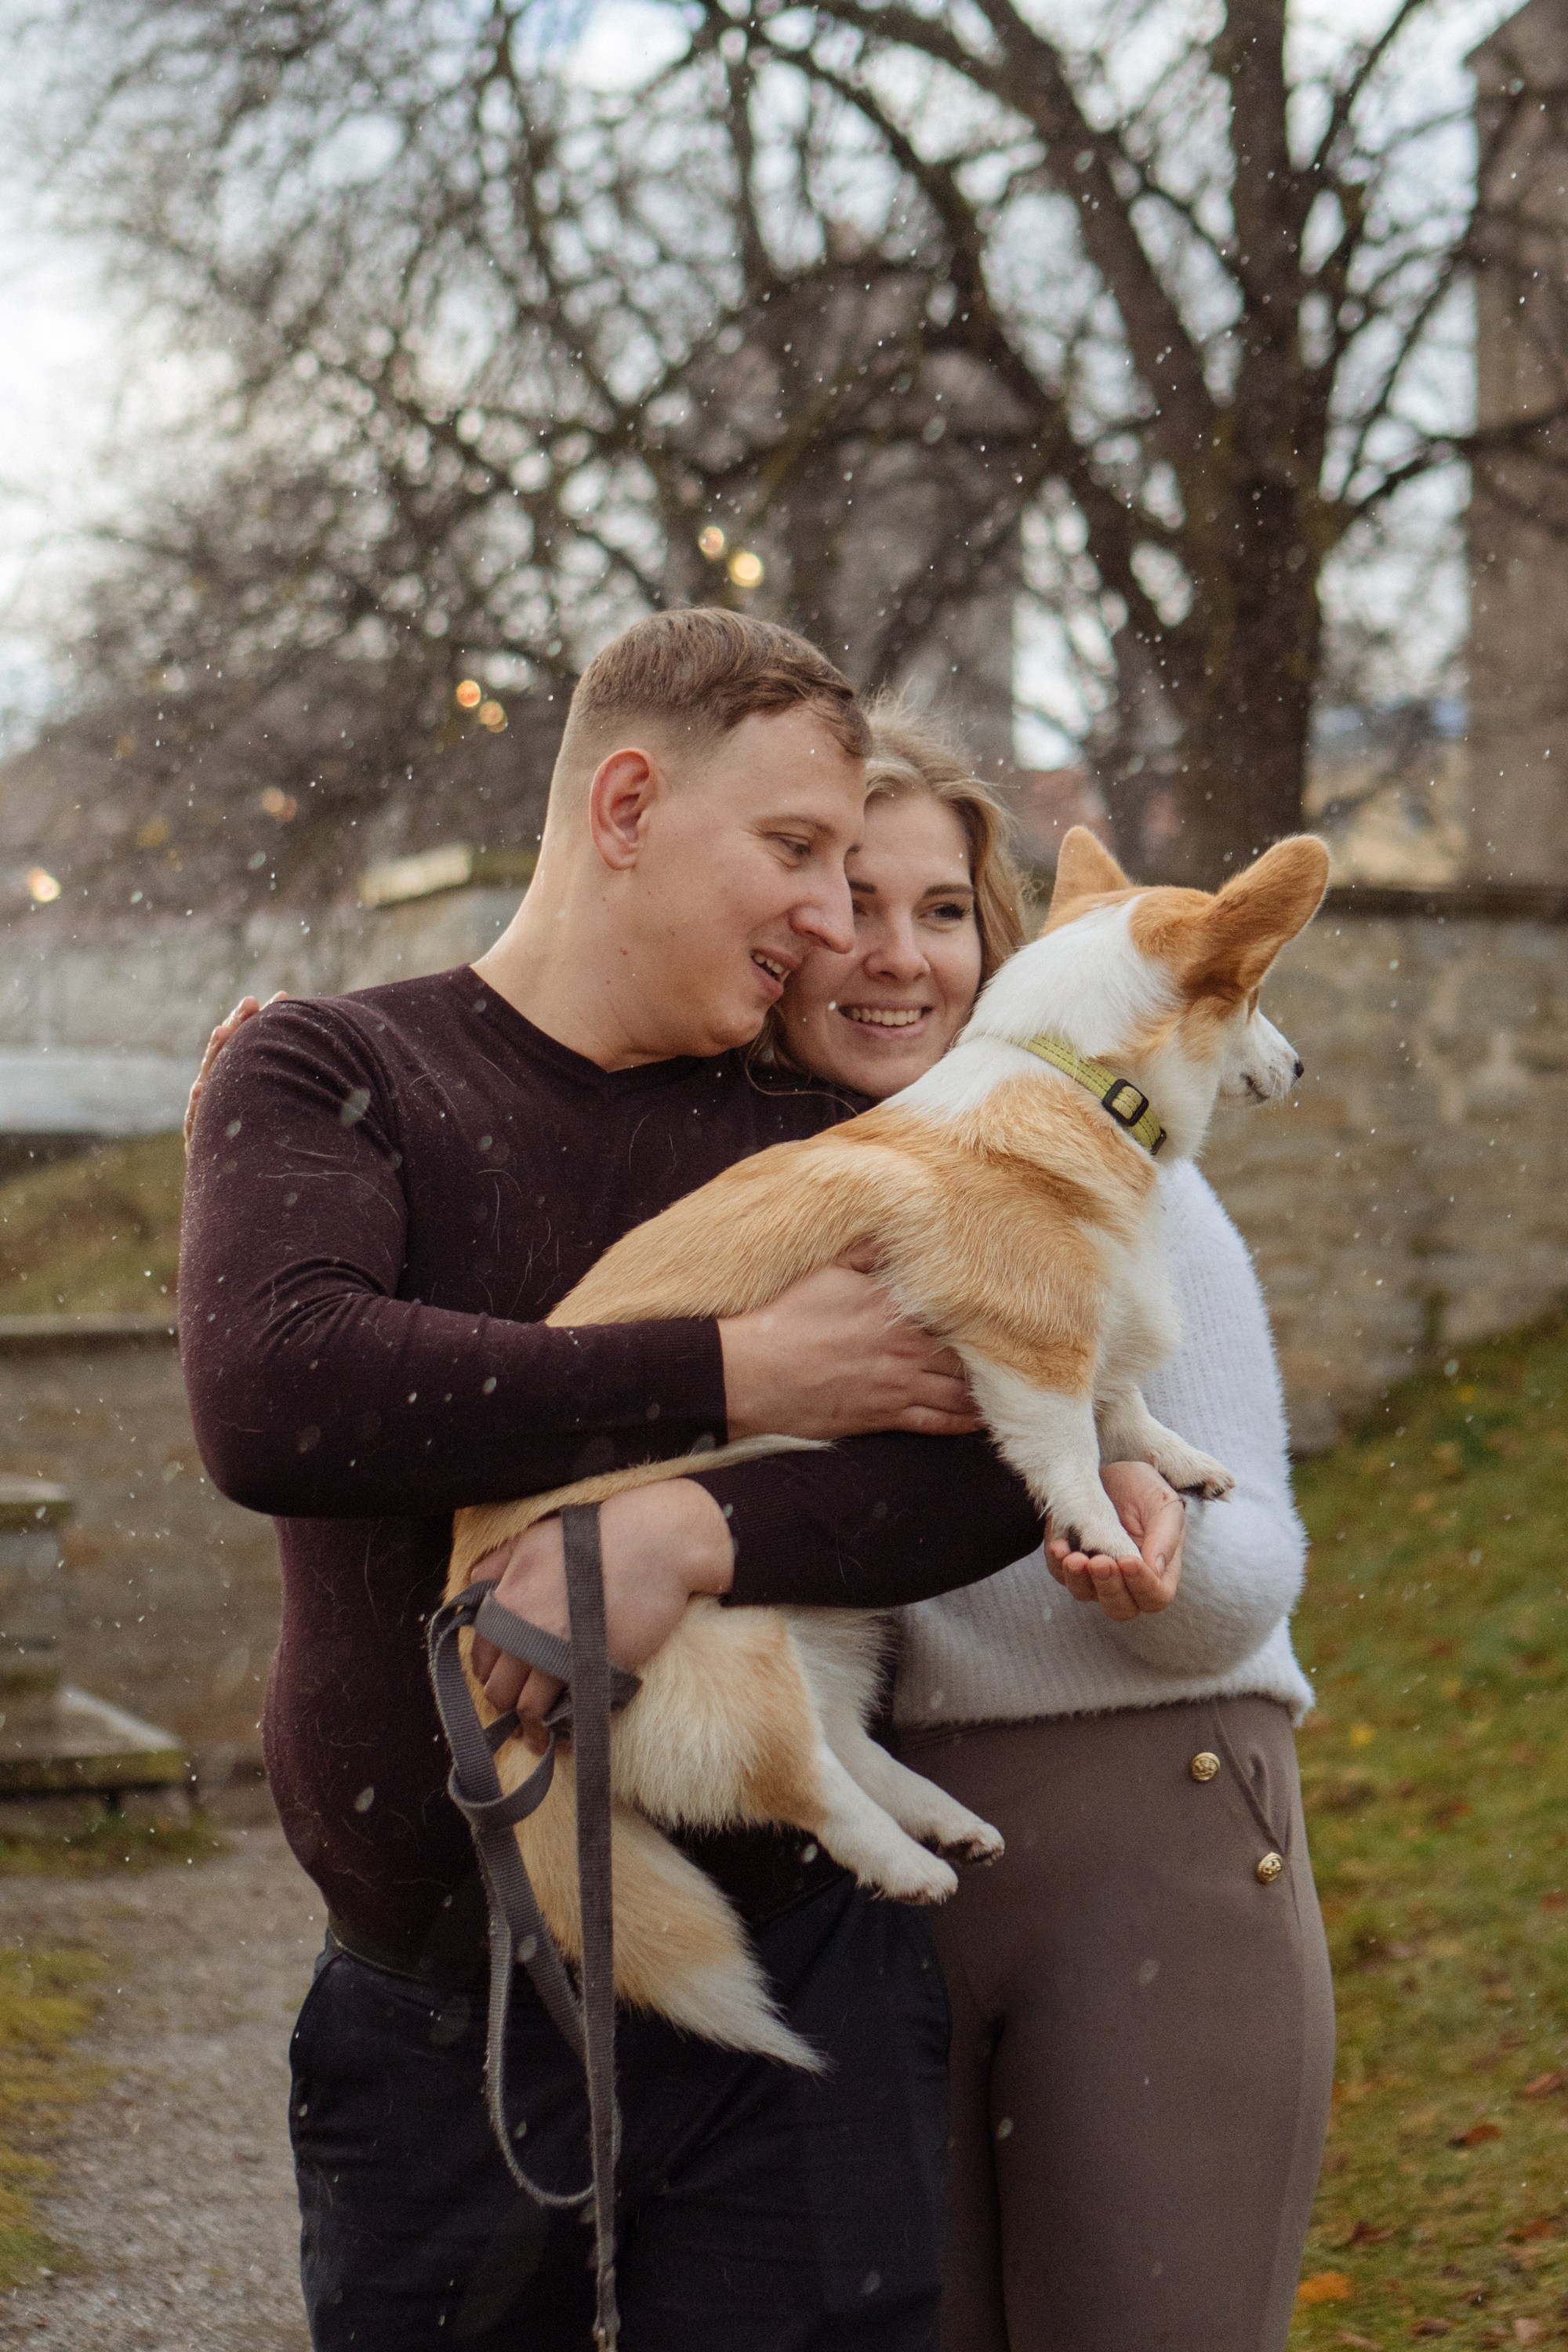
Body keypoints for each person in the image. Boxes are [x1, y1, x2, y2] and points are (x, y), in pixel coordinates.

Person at [180, 609, 1181, 2352]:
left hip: (807, 1992)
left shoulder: (821, 1128)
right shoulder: (336, 1069)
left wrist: (688, 1528)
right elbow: (282, 1395)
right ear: (627, 806)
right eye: (794, 851)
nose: (834, 919)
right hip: (437, 2026)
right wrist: (731, 1373)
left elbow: (969, 1469)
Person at [764, 707, 1335, 2352]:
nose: (898, 955)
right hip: (876, 1872)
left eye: (944, 910)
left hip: (1153, 1827)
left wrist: (1152, 1565)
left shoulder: (1125, 1171)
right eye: (852, 904)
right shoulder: (765, 1193)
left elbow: (1251, 1574)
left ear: (998, 938)